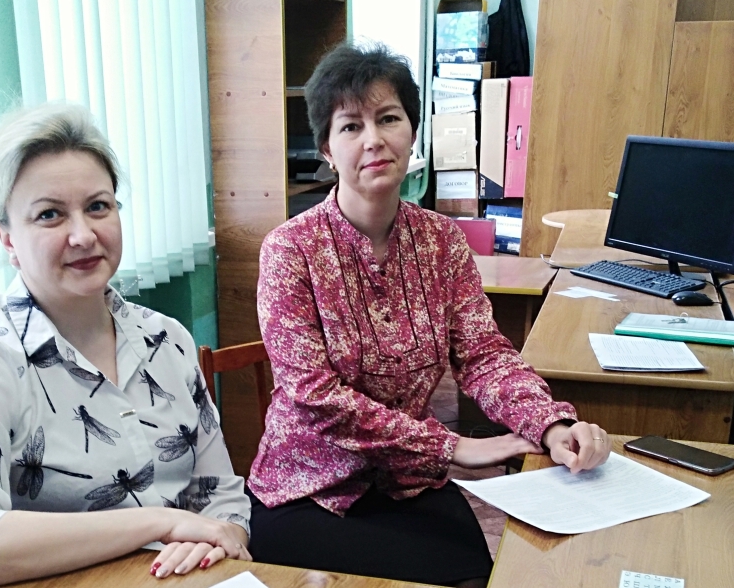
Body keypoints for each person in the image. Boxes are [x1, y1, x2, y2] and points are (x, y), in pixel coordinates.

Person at [247, 44, 611, 587]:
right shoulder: (289, 250)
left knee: (481, 577)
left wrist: (549, 422)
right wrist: (453, 446)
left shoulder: (442, 241)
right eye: (351, 126)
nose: (373, 139)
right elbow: (313, 396)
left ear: (413, 131)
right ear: (326, 148)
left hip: (408, 481)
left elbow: (484, 355)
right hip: (308, 488)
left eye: (388, 118)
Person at [0, 104, 250, 588]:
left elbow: (222, 497)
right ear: (7, 239)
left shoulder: (167, 339)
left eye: (98, 206)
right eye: (49, 215)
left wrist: (218, 538)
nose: (83, 235)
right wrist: (161, 523)